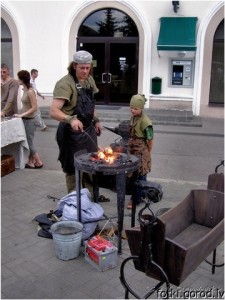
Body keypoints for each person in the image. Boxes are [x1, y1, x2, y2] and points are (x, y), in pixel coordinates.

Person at [50, 50, 102, 194]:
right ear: (74, 66)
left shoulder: (89, 80)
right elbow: (53, 111)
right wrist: (70, 119)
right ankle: (74, 200)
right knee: (74, 167)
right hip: (70, 132)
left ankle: (90, 197)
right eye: (82, 68)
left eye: (88, 67)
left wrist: (96, 120)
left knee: (92, 162)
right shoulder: (65, 84)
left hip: (88, 128)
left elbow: (91, 104)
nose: (85, 71)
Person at [126, 94, 154, 209]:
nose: (133, 110)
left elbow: (150, 139)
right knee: (133, 174)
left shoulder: (146, 122)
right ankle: (141, 194)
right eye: (131, 107)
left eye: (136, 108)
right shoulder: (133, 117)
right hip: (132, 148)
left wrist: (148, 152)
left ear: (142, 108)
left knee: (140, 175)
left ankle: (136, 199)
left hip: (141, 150)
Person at [14, 70, 44, 169]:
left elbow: (34, 108)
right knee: (29, 141)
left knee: (29, 143)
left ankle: (39, 162)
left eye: (18, 78)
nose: (17, 80)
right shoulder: (25, 90)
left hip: (29, 120)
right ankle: (30, 162)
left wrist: (21, 114)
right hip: (25, 119)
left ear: (22, 79)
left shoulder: (30, 91)